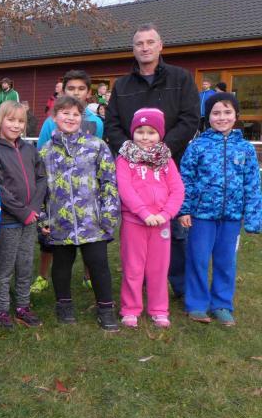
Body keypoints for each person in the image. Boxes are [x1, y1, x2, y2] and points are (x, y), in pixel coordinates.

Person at [104, 23, 199, 301]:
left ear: (160, 46)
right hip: (132, 170)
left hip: (169, 165)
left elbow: (190, 119)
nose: (144, 48)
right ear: (133, 49)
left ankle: (180, 286)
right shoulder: (122, 85)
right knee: (137, 227)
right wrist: (129, 150)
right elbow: (112, 124)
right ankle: (141, 284)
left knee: (174, 230)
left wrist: (163, 149)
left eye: (150, 42)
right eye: (139, 43)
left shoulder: (181, 78)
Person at [179, 93, 262, 326]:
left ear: (236, 116)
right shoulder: (197, 146)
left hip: (232, 217)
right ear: (208, 117)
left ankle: (222, 304)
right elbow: (185, 180)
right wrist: (184, 210)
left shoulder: (245, 149)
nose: (222, 117)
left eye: (227, 112)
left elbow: (252, 184)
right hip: (201, 215)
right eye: (216, 113)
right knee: (198, 259)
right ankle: (196, 304)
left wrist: (253, 218)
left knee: (226, 261)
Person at [39, 96, 119, 331]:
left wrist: (109, 214)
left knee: (98, 264)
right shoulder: (45, 152)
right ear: (55, 117)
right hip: (59, 221)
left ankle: (106, 309)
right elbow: (39, 189)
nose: (70, 118)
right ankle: (64, 305)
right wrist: (43, 218)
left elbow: (109, 182)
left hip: (92, 221)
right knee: (62, 265)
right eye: (65, 113)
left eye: (75, 114)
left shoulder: (97, 146)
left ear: (81, 118)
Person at [116, 108, 184, 329]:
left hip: (161, 223)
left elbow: (177, 190)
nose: (145, 137)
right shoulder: (124, 159)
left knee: (158, 269)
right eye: (140, 131)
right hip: (134, 222)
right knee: (133, 267)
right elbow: (125, 189)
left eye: (151, 132)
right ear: (133, 132)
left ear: (160, 134)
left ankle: (159, 310)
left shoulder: (166, 160)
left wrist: (165, 214)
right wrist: (144, 213)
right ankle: (130, 309)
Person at [0, 101, 45, 329]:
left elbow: (41, 178)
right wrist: (21, 211)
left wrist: (34, 209)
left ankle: (22, 306)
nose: (16, 125)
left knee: (25, 265)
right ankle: (2, 309)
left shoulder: (30, 149)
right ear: (0, 120)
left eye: (20, 121)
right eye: (11, 120)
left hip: (30, 219)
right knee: (5, 268)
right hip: (8, 221)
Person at [37, 70, 104, 148]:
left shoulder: (97, 122)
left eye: (81, 89)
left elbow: (98, 151)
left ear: (88, 93)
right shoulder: (51, 121)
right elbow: (40, 152)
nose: (76, 93)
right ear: (63, 92)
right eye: (71, 89)